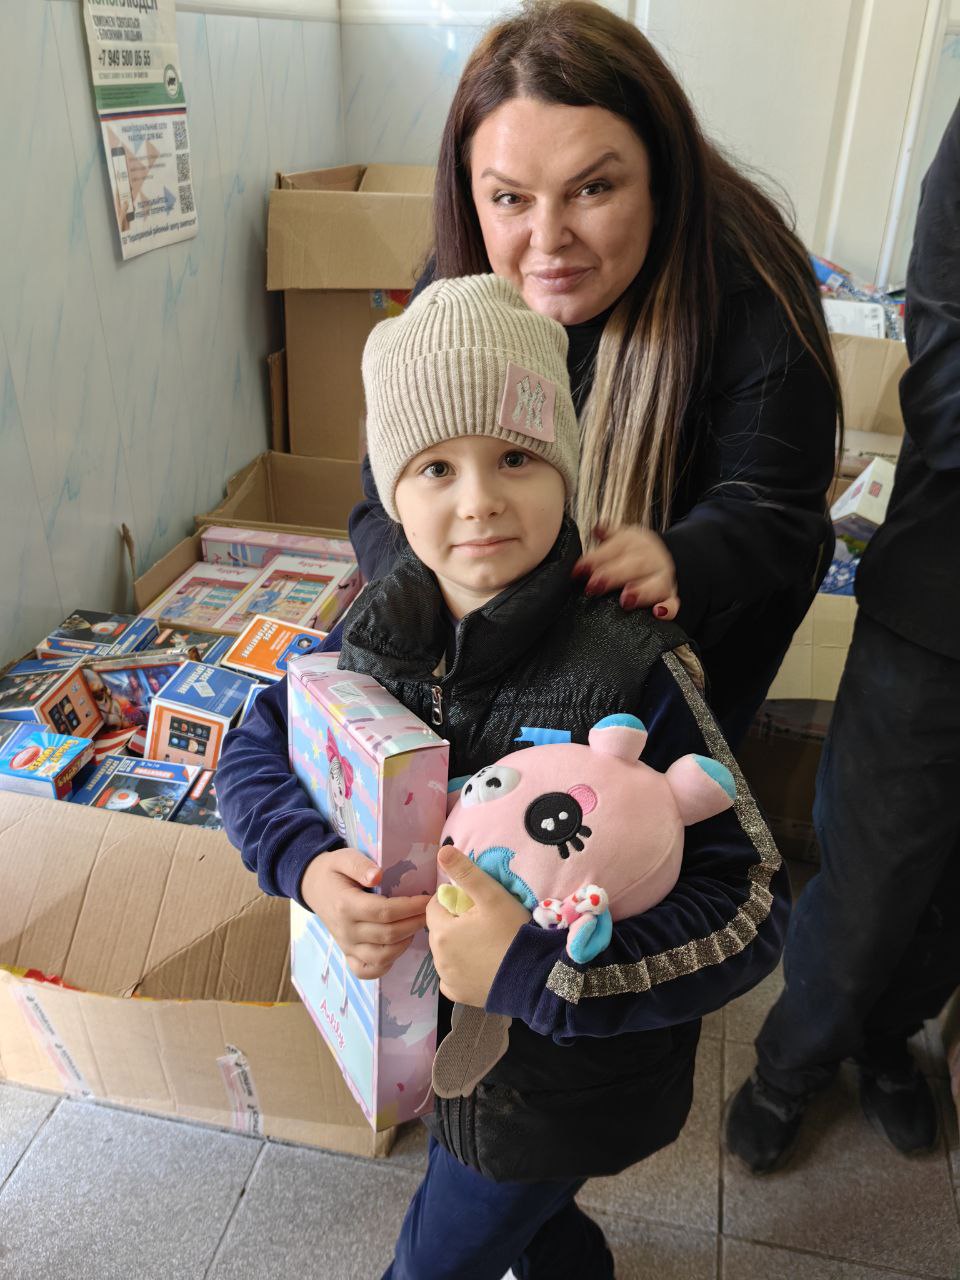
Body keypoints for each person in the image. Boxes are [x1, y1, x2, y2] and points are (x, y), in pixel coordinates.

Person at [218, 274, 789, 1279]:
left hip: (564, 1075)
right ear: (391, 489)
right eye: (435, 466)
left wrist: (537, 970)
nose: (479, 501)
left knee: (439, 1257)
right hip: (428, 1043)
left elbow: (748, 902)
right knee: (521, 1220)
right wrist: (309, 869)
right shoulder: (374, 629)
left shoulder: (631, 662)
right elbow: (260, 740)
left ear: (565, 467)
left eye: (516, 457)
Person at [348, 0, 841, 748]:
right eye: (510, 198)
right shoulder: (456, 292)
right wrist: (418, 590)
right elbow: (384, 488)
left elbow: (776, 513)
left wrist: (679, 560)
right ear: (470, 195)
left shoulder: (754, 296)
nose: (548, 241)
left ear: (660, 179)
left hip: (684, 631)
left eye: (593, 189)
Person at [725, 101, 960, 1173]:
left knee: (952, 892)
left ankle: (884, 1036)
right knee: (870, 877)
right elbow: (946, 350)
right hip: (942, 603)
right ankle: (792, 1061)